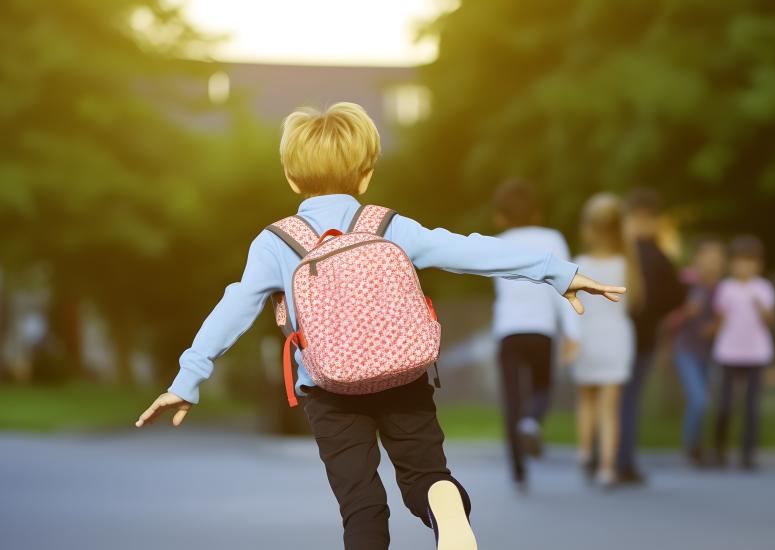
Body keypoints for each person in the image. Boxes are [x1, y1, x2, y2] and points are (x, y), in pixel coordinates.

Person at [133, 103, 625, 550]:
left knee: (362, 507)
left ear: (290, 177)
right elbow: (470, 250)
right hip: (404, 376)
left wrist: (187, 380)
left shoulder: (276, 242)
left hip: (328, 390)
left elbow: (234, 307)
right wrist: (558, 273)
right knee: (426, 475)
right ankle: (443, 501)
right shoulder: (388, 225)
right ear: (365, 175)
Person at [491, 178, 580, 490]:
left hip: (508, 330)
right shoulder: (552, 238)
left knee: (511, 399)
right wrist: (572, 333)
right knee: (542, 385)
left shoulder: (498, 242)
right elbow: (565, 285)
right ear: (537, 213)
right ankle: (532, 422)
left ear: (500, 216)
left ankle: (518, 471)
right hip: (541, 329)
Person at [615, 188, 685, 484]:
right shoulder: (657, 256)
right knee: (628, 399)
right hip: (643, 337)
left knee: (611, 399)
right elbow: (675, 296)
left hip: (614, 335)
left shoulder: (617, 254)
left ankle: (604, 456)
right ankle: (623, 462)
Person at [571, 193, 635, 487]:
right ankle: (606, 468)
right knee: (610, 408)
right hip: (616, 336)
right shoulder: (626, 264)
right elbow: (635, 300)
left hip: (587, 335)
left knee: (586, 400)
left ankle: (585, 452)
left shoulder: (579, 263)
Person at [712, 235, 775, 471]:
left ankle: (748, 454)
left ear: (758, 264)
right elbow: (719, 318)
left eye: (749, 262)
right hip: (729, 352)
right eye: (739, 261)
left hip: (756, 353)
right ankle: (719, 450)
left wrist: (761, 308)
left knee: (751, 406)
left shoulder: (763, 288)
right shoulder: (725, 288)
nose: (744, 267)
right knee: (725, 404)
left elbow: (771, 320)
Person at [665, 238, 727, 466]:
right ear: (697, 260)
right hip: (686, 349)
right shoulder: (685, 283)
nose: (712, 263)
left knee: (717, 399)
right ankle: (691, 445)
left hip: (715, 352)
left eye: (717, 258)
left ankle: (712, 446)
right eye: (707, 257)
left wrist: (717, 326)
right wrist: (686, 313)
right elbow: (668, 319)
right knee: (699, 398)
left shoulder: (724, 288)